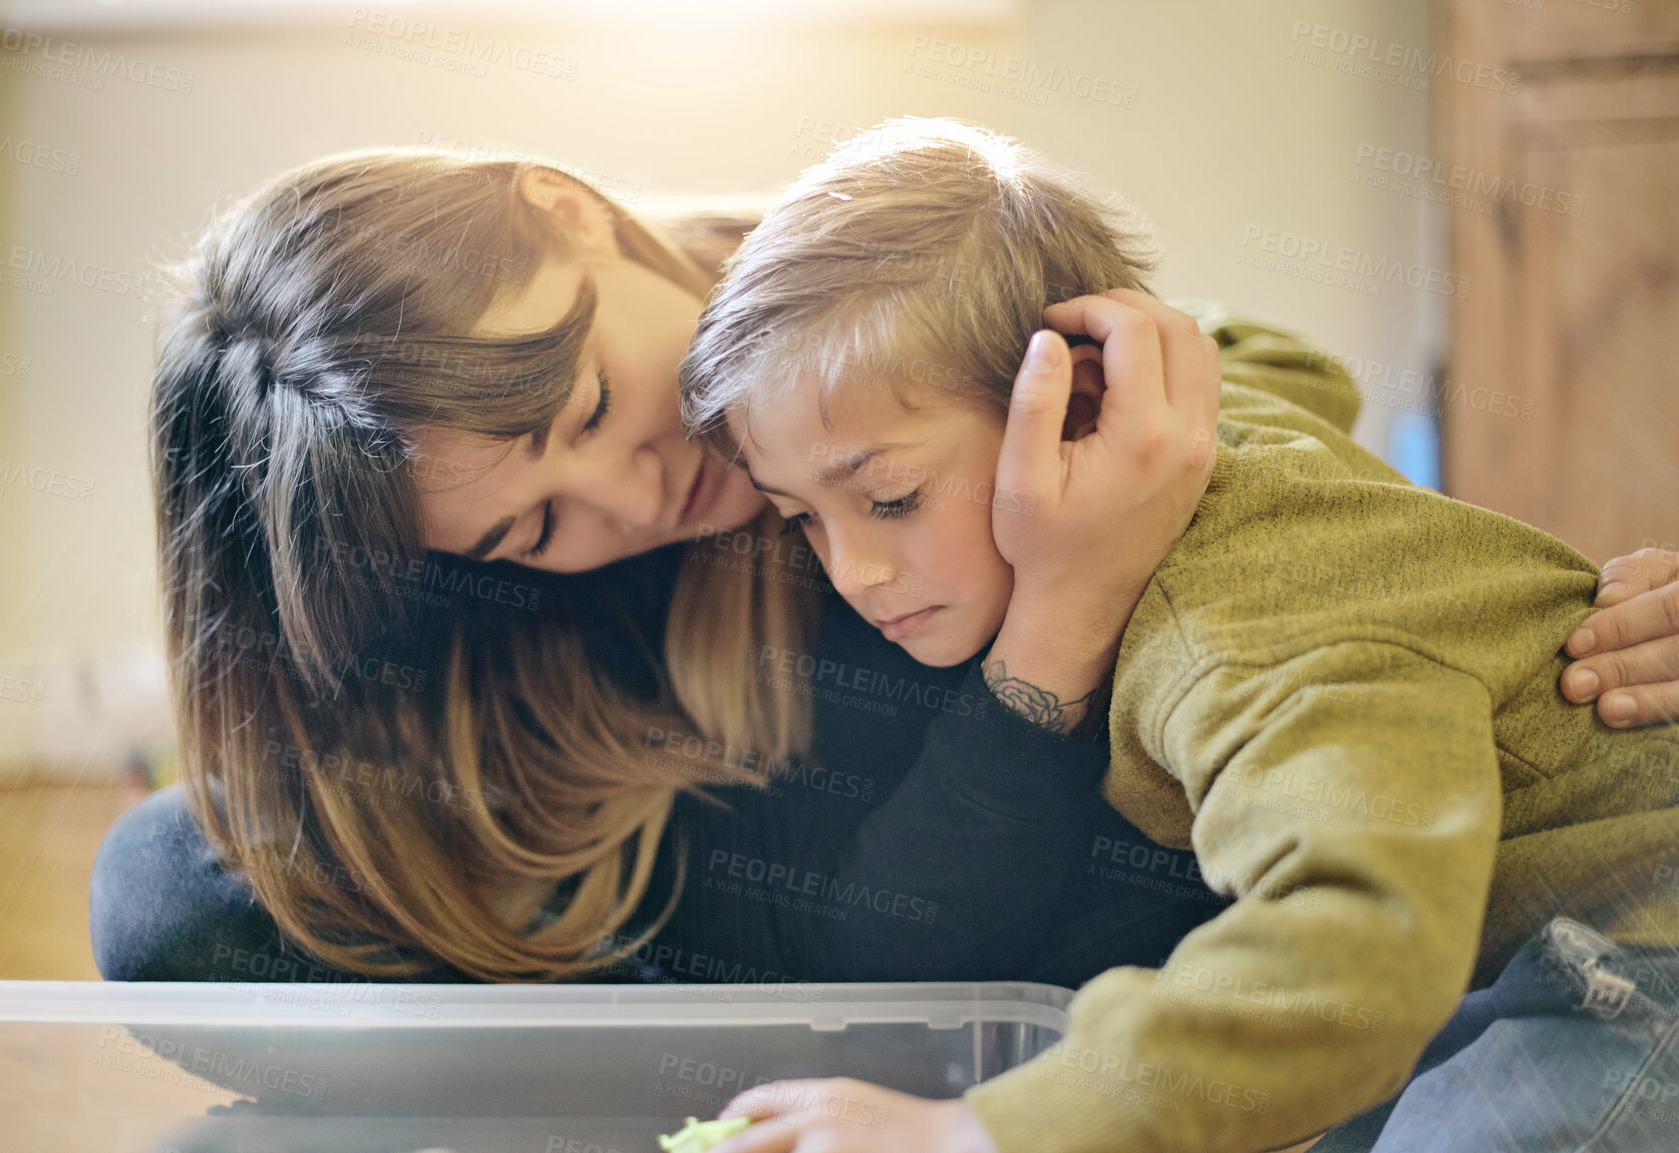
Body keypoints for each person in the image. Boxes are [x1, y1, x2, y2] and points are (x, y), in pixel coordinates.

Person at [93, 136, 1679, 1001]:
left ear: (565, 208)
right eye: (532, 523)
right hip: (848, 907)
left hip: (1199, 897)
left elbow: (1249, 381)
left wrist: (1499, 612)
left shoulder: (853, 285)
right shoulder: (565, 637)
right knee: (170, 886)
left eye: (583, 402)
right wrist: (1047, 631)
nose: (640, 488)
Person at [671, 119, 1679, 1153]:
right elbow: (1285, 359)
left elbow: (1351, 955)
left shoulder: (1234, 615)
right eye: (799, 515)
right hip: (1522, 968)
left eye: (888, 496)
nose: (852, 572)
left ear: (1076, 405)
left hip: (1634, 972)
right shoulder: (1205, 420)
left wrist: (973, 1133)